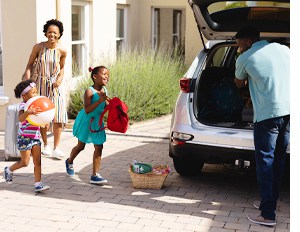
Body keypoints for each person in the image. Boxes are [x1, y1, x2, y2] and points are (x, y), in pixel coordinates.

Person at [234, 26, 290, 226]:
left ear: (248, 42)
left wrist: (243, 66)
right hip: (289, 112)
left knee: (265, 161)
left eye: (239, 42)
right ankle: (270, 202)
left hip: (267, 115)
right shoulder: (283, 49)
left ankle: (267, 215)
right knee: (278, 160)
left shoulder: (245, 58)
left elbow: (238, 83)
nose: (237, 46)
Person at [22, 19, 68, 160]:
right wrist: (30, 83)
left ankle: (56, 147)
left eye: (55, 32)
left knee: (58, 115)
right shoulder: (38, 47)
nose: (52, 35)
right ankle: (46, 145)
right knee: (42, 115)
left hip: (55, 86)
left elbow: (62, 68)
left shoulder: (62, 50)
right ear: (45, 33)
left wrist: (59, 79)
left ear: (59, 34)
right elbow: (29, 65)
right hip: (39, 84)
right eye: (49, 32)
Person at [65, 66, 109, 184]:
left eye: (108, 75)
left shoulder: (105, 90)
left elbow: (103, 107)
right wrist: (100, 101)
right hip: (87, 121)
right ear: (95, 77)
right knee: (81, 146)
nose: (107, 76)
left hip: (97, 121)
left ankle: (95, 175)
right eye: (104, 74)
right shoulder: (89, 91)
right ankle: (69, 161)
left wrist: (111, 105)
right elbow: (88, 109)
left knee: (99, 146)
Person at [3, 80, 50, 192]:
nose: (35, 95)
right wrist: (28, 112)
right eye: (33, 93)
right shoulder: (24, 106)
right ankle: (8, 170)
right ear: (24, 95)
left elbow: (39, 118)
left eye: (36, 92)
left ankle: (38, 184)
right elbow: (20, 118)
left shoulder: (37, 105)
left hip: (35, 137)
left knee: (37, 161)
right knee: (25, 162)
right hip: (25, 138)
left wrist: (44, 123)